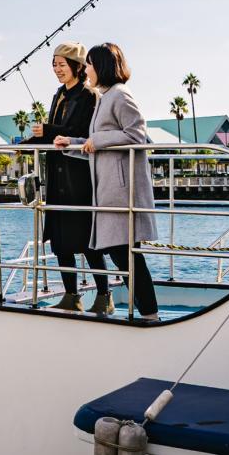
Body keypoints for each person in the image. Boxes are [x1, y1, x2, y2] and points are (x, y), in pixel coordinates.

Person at [55, 42, 159, 319]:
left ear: (101, 66)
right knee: (120, 253)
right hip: (108, 189)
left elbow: (138, 135)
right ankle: (147, 312)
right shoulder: (105, 97)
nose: (86, 70)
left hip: (121, 191)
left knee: (125, 254)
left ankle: (149, 313)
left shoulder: (120, 95)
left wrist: (96, 140)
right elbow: (98, 144)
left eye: (89, 64)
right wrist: (72, 144)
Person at [25, 42, 105, 311]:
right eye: (54, 64)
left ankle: (104, 297)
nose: (57, 69)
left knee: (86, 240)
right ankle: (71, 296)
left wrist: (46, 130)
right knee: (60, 240)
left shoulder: (89, 95)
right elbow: (50, 134)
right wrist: (25, 144)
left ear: (77, 67)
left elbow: (78, 130)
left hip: (79, 177)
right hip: (57, 178)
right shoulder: (59, 94)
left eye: (62, 64)